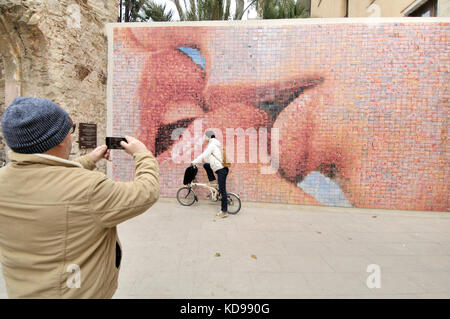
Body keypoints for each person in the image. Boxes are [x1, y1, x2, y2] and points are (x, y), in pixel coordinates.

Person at [0, 97, 160, 298]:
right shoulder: (89, 188)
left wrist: (90, 159)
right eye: (70, 130)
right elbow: (146, 191)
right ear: (58, 139)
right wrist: (142, 154)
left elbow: (49, 176)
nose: (72, 137)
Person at [192, 131, 229, 218]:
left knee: (223, 191)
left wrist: (194, 162)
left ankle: (224, 211)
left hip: (221, 170)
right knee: (206, 165)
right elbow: (208, 159)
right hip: (220, 168)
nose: (204, 138)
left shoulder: (212, 145)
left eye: (205, 136)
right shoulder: (215, 144)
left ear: (208, 137)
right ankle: (213, 182)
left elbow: (204, 155)